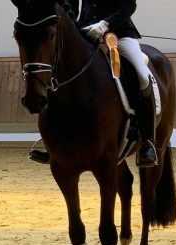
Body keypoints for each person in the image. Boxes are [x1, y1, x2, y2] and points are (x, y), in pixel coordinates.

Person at [30, 0, 158, 167]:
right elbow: (72, 5)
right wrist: (74, 24)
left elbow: (128, 5)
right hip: (87, 32)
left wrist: (106, 24)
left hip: (120, 34)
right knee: (59, 71)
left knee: (141, 75)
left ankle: (148, 141)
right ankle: (53, 142)